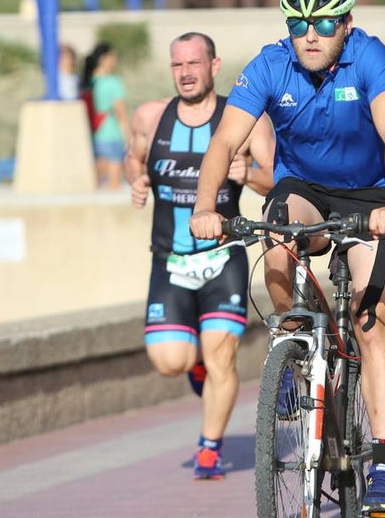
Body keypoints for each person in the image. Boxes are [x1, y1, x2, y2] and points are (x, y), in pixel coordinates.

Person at [189, 0, 385, 512]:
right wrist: (204, 207)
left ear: (347, 22)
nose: (309, 35)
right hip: (306, 189)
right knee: (277, 220)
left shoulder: (370, 57)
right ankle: (292, 343)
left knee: (372, 321)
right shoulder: (270, 66)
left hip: (371, 196)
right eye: (297, 24)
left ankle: (383, 463)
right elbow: (223, 143)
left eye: (324, 22)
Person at [124, 32, 275, 480]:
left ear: (214, 66)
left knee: (223, 356)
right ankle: (198, 366)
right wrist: (138, 180)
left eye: (194, 63)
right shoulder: (151, 117)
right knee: (170, 362)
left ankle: (209, 448)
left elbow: (277, 180)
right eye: (177, 65)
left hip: (223, 257)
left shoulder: (242, 119)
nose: (186, 73)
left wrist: (248, 175)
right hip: (170, 258)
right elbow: (133, 157)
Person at [82, 42, 130, 189]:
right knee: (114, 185)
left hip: (93, 135)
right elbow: (121, 115)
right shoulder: (113, 82)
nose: (115, 60)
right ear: (104, 59)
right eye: (112, 56)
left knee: (95, 184)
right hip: (112, 134)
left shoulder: (86, 82)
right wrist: (129, 139)